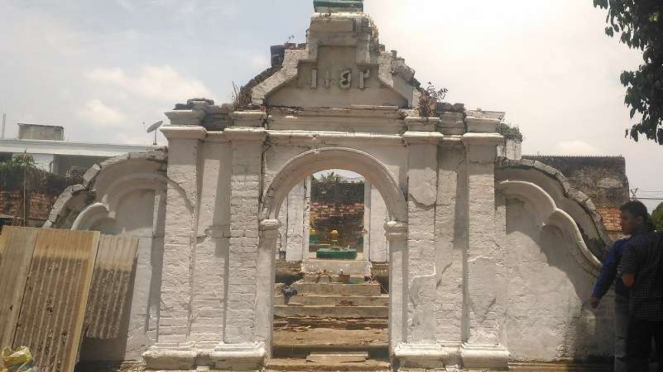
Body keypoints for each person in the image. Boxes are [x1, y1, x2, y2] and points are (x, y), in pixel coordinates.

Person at [617, 201, 662, 372]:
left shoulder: (632, 246)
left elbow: (628, 281)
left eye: (625, 218)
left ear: (639, 220)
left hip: (642, 312)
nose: (621, 222)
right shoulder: (660, 239)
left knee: (637, 359)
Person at [590, 236, 631, 372]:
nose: (621, 223)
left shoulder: (622, 245)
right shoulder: (622, 245)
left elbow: (609, 270)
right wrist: (597, 293)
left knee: (623, 341)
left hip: (629, 297)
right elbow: (609, 270)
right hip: (638, 298)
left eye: (625, 218)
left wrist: (597, 294)